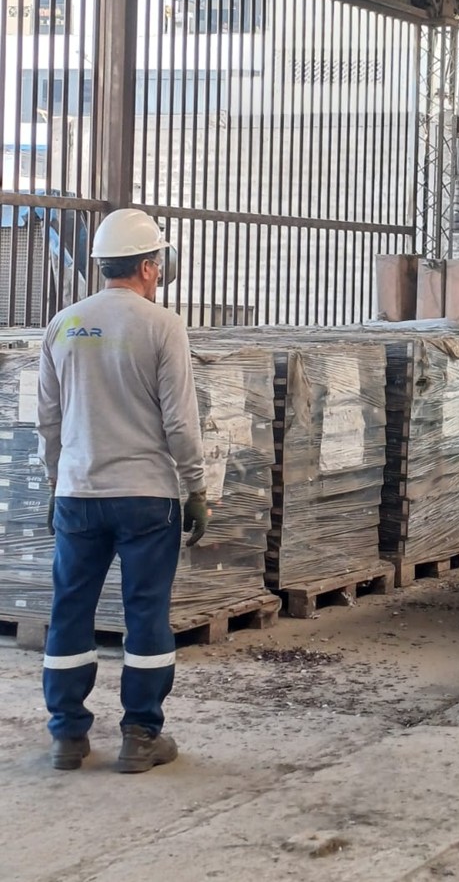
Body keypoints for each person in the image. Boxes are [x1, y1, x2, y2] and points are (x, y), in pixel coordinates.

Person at [37, 208, 210, 772]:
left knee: (70, 610)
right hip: (145, 497)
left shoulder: (63, 324)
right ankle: (140, 735)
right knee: (145, 612)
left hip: (78, 493)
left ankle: (67, 734)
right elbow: (180, 423)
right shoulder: (162, 326)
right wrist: (197, 488)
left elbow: (49, 422)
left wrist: (53, 484)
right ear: (150, 266)